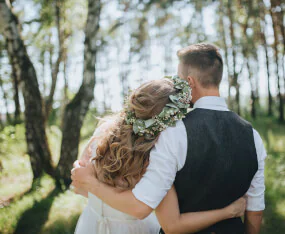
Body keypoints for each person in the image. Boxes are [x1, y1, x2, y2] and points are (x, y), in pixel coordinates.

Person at [72, 43, 267, 234]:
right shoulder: (253, 136)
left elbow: (153, 213)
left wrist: (92, 183)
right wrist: (230, 212)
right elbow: (255, 212)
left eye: (180, 79)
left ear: (189, 82)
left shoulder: (173, 133)